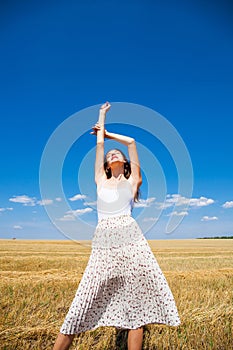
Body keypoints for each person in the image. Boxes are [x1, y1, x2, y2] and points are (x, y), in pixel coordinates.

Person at [53, 102, 180, 350]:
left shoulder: (133, 181)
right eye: (110, 155)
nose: (112, 154)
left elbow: (131, 142)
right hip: (104, 238)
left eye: (116, 154)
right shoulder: (100, 179)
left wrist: (109, 133)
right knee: (83, 299)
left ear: (124, 162)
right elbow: (99, 145)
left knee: (136, 305)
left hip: (131, 240)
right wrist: (101, 116)